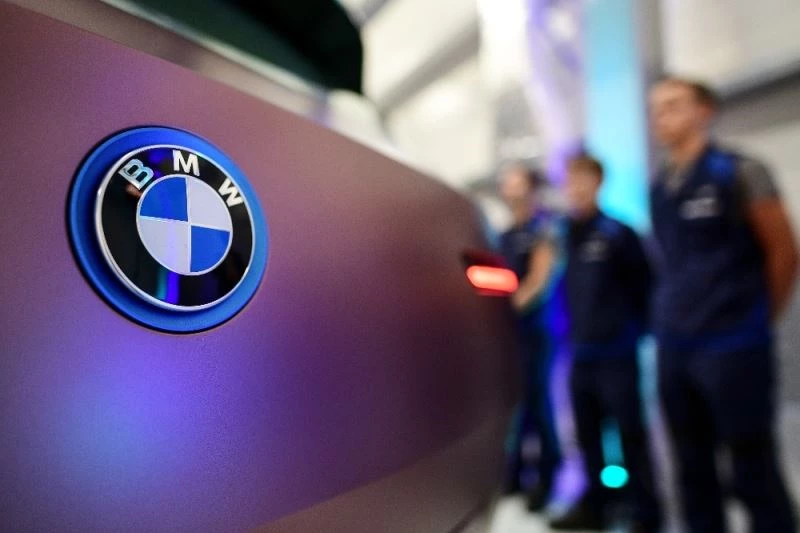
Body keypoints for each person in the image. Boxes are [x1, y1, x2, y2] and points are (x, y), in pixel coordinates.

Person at [649, 76, 799, 533]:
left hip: (733, 344)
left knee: (752, 464)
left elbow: (784, 252)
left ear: (704, 111)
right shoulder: (661, 185)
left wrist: (757, 317)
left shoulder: (738, 172)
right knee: (691, 465)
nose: (662, 116)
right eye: (656, 108)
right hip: (677, 344)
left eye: (674, 105)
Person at [548, 155, 662, 533]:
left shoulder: (618, 233)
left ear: (598, 183)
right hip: (580, 354)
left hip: (617, 354)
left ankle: (644, 510)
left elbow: (646, 287)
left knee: (630, 434)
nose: (575, 189)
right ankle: (598, 506)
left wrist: (631, 332)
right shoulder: (562, 234)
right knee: (587, 437)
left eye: (582, 180)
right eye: (570, 181)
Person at [498, 163, 563, 511]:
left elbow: (539, 279)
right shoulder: (506, 234)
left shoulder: (543, 230)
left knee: (539, 404)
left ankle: (547, 475)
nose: (509, 188)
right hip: (512, 335)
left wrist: (512, 305)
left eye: (516, 182)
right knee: (517, 406)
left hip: (537, 331)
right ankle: (517, 473)